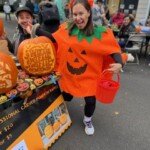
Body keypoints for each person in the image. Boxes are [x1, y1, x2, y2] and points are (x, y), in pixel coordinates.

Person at [22, 0, 123, 136]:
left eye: (81, 13)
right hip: (71, 74)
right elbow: (53, 38)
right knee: (67, 96)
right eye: (74, 14)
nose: (77, 17)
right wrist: (34, 29)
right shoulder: (66, 29)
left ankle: (87, 120)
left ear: (88, 12)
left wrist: (119, 63)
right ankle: (54, 109)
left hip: (90, 75)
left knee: (90, 100)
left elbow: (112, 50)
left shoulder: (101, 33)